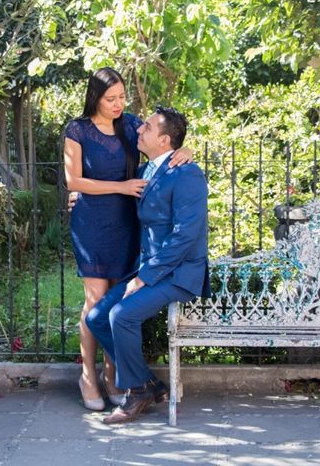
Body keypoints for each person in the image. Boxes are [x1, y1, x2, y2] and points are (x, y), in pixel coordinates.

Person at [63, 68, 192, 411]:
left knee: (117, 296)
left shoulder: (130, 122)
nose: (119, 104)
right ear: (95, 98)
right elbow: (73, 181)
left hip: (126, 221)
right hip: (91, 221)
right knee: (95, 299)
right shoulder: (77, 130)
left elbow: (164, 140)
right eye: (111, 99)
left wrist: (186, 149)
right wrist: (120, 186)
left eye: (122, 97)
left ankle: (113, 375)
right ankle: (88, 375)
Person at [85, 106, 210, 424]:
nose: (140, 130)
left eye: (149, 128)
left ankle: (136, 392)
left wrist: (145, 277)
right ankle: (148, 385)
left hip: (178, 272)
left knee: (121, 315)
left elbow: (185, 236)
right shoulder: (144, 173)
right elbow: (116, 199)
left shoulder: (187, 173)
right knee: (98, 317)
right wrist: (79, 197)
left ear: (165, 140)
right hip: (149, 267)